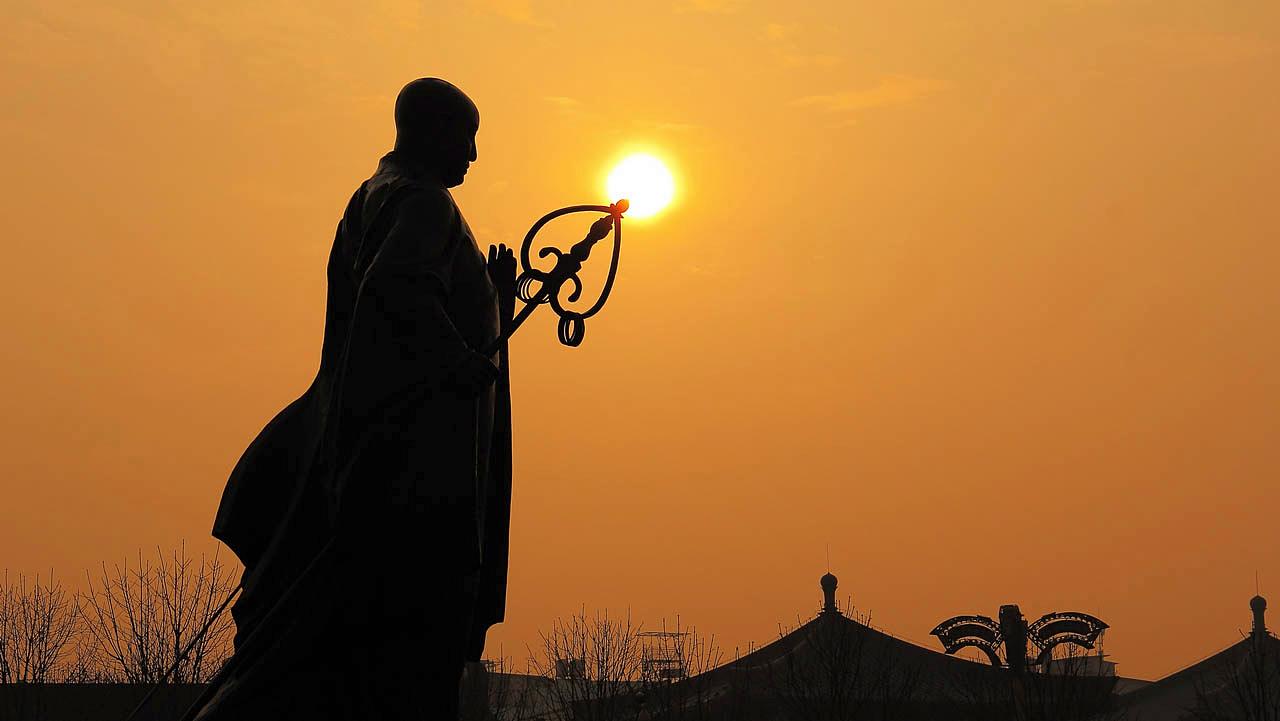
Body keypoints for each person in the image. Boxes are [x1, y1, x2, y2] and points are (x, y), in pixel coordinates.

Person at [188, 77, 515, 720]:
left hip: (363, 456)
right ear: (427, 133)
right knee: (399, 652)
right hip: (409, 478)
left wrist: (492, 299)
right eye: (467, 138)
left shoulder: (373, 196)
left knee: (322, 640)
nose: (474, 156)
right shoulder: (423, 206)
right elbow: (394, 289)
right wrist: (457, 362)